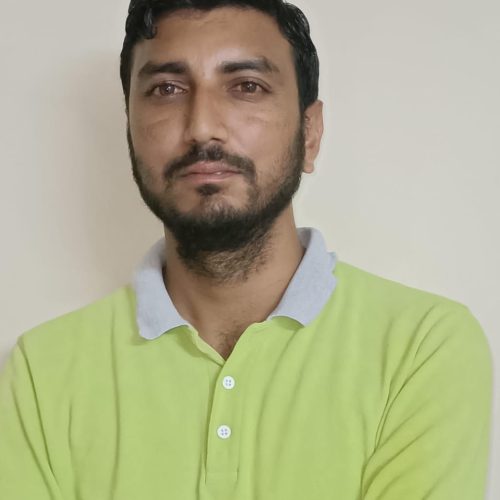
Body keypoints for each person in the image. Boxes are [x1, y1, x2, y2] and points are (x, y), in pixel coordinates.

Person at [0, 0, 492, 499]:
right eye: (167, 89)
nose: (201, 127)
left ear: (310, 134)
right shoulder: (42, 372)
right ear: (129, 127)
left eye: (247, 86)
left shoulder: (421, 348)